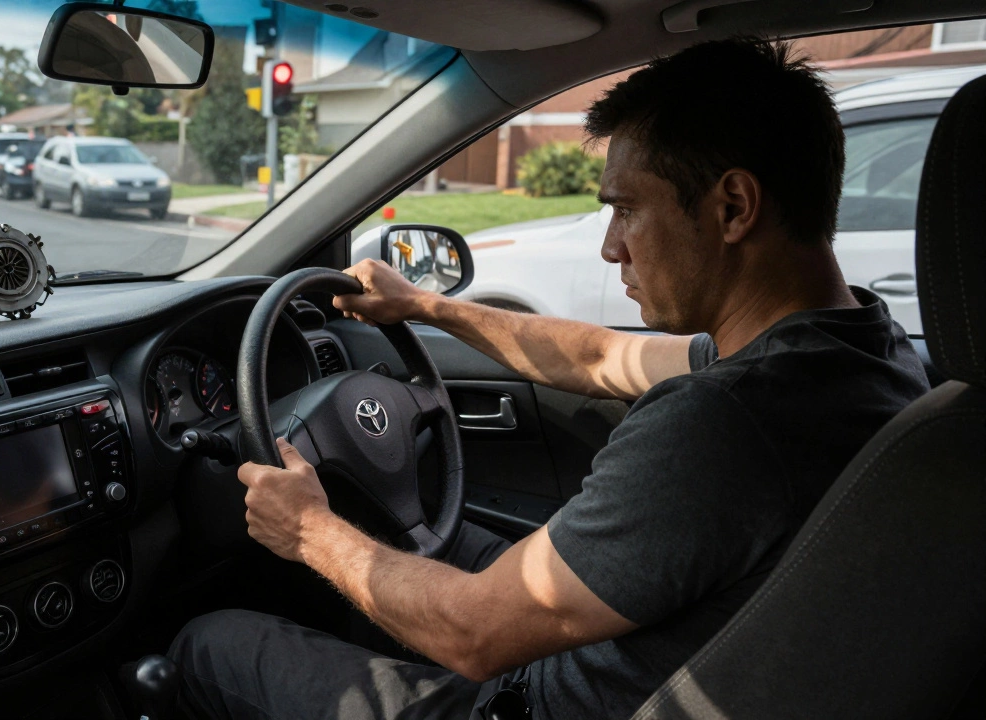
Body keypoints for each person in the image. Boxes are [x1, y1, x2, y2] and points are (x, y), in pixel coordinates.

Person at [168, 38, 931, 719]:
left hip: (525, 698)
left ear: (733, 206)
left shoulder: (726, 422)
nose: (610, 248)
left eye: (627, 210)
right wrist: (427, 305)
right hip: (638, 648)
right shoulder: (863, 353)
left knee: (211, 642)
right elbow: (600, 358)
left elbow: (472, 633)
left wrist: (308, 530)